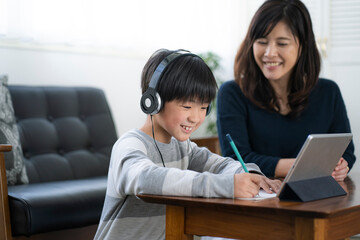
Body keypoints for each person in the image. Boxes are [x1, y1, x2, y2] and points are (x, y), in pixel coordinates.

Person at [94, 49, 281, 240]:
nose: (196, 117)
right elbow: (146, 179)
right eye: (187, 106)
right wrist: (227, 186)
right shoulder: (130, 145)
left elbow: (221, 165)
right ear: (153, 101)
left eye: (203, 107)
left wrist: (250, 176)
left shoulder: (184, 148)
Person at [217, 0, 356, 182]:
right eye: (261, 42)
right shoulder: (232, 93)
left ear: (303, 46)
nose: (270, 53)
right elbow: (235, 160)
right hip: (257, 200)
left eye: (282, 43)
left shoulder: (328, 92)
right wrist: (300, 166)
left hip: (317, 197)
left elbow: (346, 152)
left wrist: (340, 166)